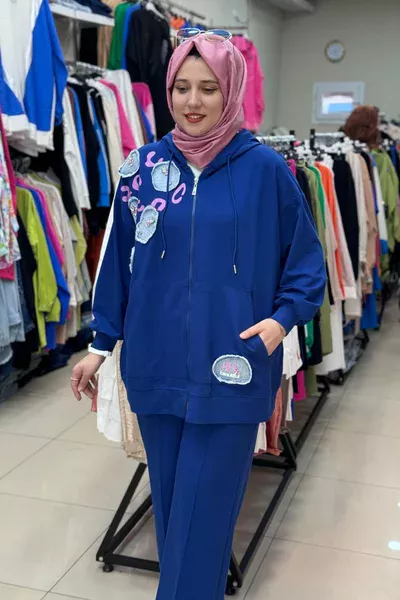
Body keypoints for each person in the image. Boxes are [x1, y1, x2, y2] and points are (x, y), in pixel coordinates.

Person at [71, 29, 326, 600]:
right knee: (174, 517)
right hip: (154, 368)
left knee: (202, 522)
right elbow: (117, 265)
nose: (193, 101)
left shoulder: (266, 170)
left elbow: (308, 264)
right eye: (181, 87)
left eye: (208, 88)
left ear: (230, 90)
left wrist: (281, 321)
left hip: (232, 366)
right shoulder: (140, 169)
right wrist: (99, 346)